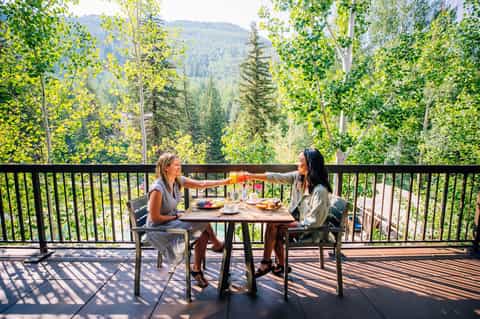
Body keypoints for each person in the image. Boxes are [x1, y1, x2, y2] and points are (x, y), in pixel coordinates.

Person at [245, 148, 332, 277]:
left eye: (300, 161)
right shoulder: (299, 177)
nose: (297, 164)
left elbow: (315, 221)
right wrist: (252, 176)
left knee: (275, 225)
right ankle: (280, 265)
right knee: (274, 225)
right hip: (299, 223)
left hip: (311, 230)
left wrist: (295, 224)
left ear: (310, 164)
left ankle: (267, 263)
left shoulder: (319, 190)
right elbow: (278, 177)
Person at [147, 153, 231, 288]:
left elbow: (202, 184)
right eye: (176, 165)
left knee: (203, 227)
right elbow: (155, 218)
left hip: (170, 222)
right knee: (202, 223)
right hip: (159, 230)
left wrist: (226, 181)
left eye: (179, 164)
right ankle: (215, 245)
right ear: (166, 168)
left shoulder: (177, 180)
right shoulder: (157, 188)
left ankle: (197, 269)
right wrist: (176, 216)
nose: (179, 167)